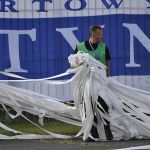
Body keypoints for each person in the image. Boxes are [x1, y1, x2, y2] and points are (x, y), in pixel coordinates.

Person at [74, 25, 113, 141]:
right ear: (93, 34)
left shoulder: (104, 47)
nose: (102, 36)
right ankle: (92, 132)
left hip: (99, 82)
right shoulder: (80, 47)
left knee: (103, 104)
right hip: (85, 82)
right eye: (100, 34)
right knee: (88, 106)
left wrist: (107, 78)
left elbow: (106, 64)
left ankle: (107, 128)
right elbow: (74, 64)